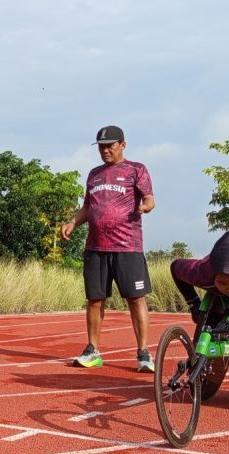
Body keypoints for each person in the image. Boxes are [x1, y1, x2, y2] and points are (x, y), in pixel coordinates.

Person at [61, 125, 156, 372]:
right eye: (102, 146)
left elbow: (149, 199)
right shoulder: (94, 174)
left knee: (135, 299)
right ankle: (92, 350)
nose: (105, 150)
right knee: (95, 299)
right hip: (95, 247)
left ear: (123, 144)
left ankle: (144, 354)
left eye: (110, 145)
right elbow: (87, 207)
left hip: (127, 246)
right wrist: (73, 222)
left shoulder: (137, 169)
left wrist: (144, 207)